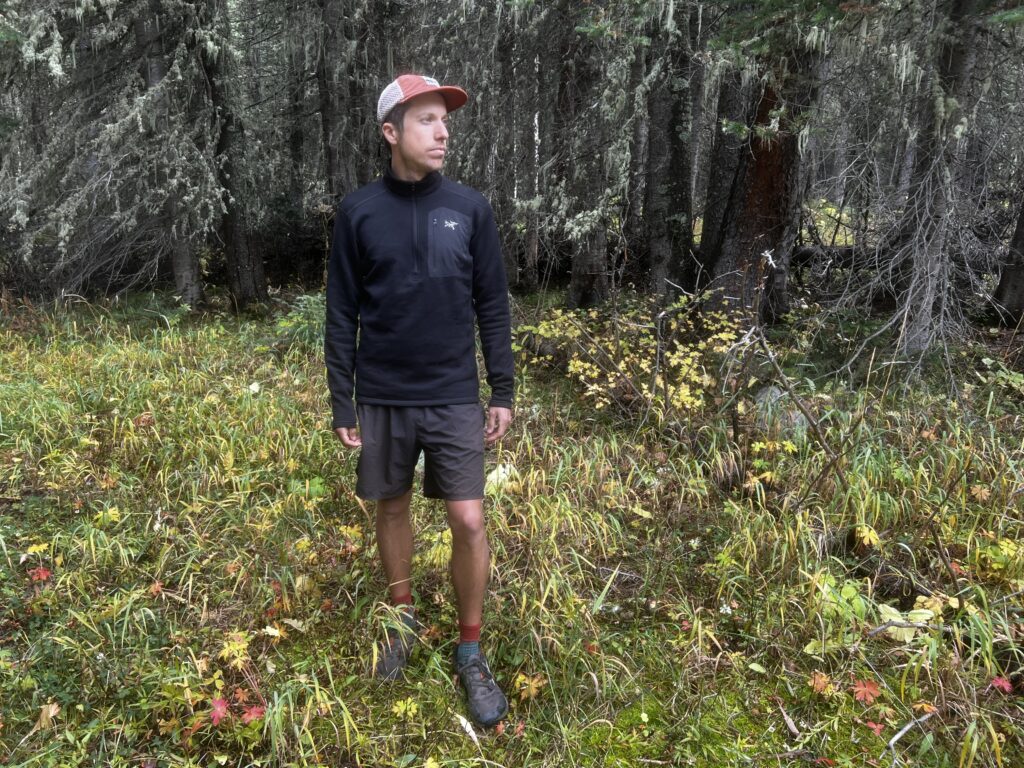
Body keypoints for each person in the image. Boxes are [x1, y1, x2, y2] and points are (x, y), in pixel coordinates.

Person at [324, 73, 514, 727]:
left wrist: (503, 389)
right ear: (390, 132)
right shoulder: (358, 213)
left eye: (445, 119)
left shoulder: (470, 208)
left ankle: (470, 648)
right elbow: (341, 310)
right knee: (393, 505)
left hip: (454, 392)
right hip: (382, 393)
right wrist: (342, 401)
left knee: (467, 518)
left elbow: (492, 303)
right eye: (427, 119)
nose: (443, 130)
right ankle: (400, 618)